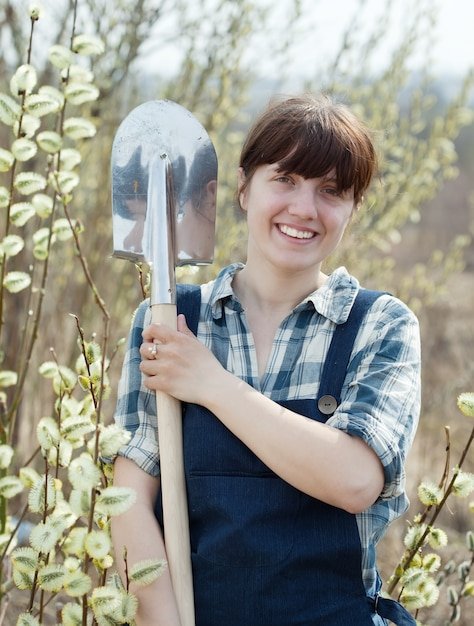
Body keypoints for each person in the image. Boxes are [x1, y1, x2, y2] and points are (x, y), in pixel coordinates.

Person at [111, 94, 421, 626]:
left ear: (354, 208)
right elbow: (130, 498)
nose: (305, 208)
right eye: (285, 179)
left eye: (331, 191)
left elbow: (354, 480)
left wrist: (211, 384)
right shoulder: (170, 319)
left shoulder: (379, 325)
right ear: (241, 187)